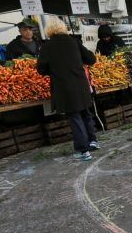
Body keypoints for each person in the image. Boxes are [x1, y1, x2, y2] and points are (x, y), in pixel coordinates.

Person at [36, 18, 99, 161]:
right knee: (85, 113)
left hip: (64, 87)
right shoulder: (74, 42)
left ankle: (83, 151)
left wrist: (53, 69)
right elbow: (91, 59)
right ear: (63, 28)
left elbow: (40, 69)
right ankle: (92, 141)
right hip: (81, 84)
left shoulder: (47, 46)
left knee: (75, 117)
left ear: (49, 30)